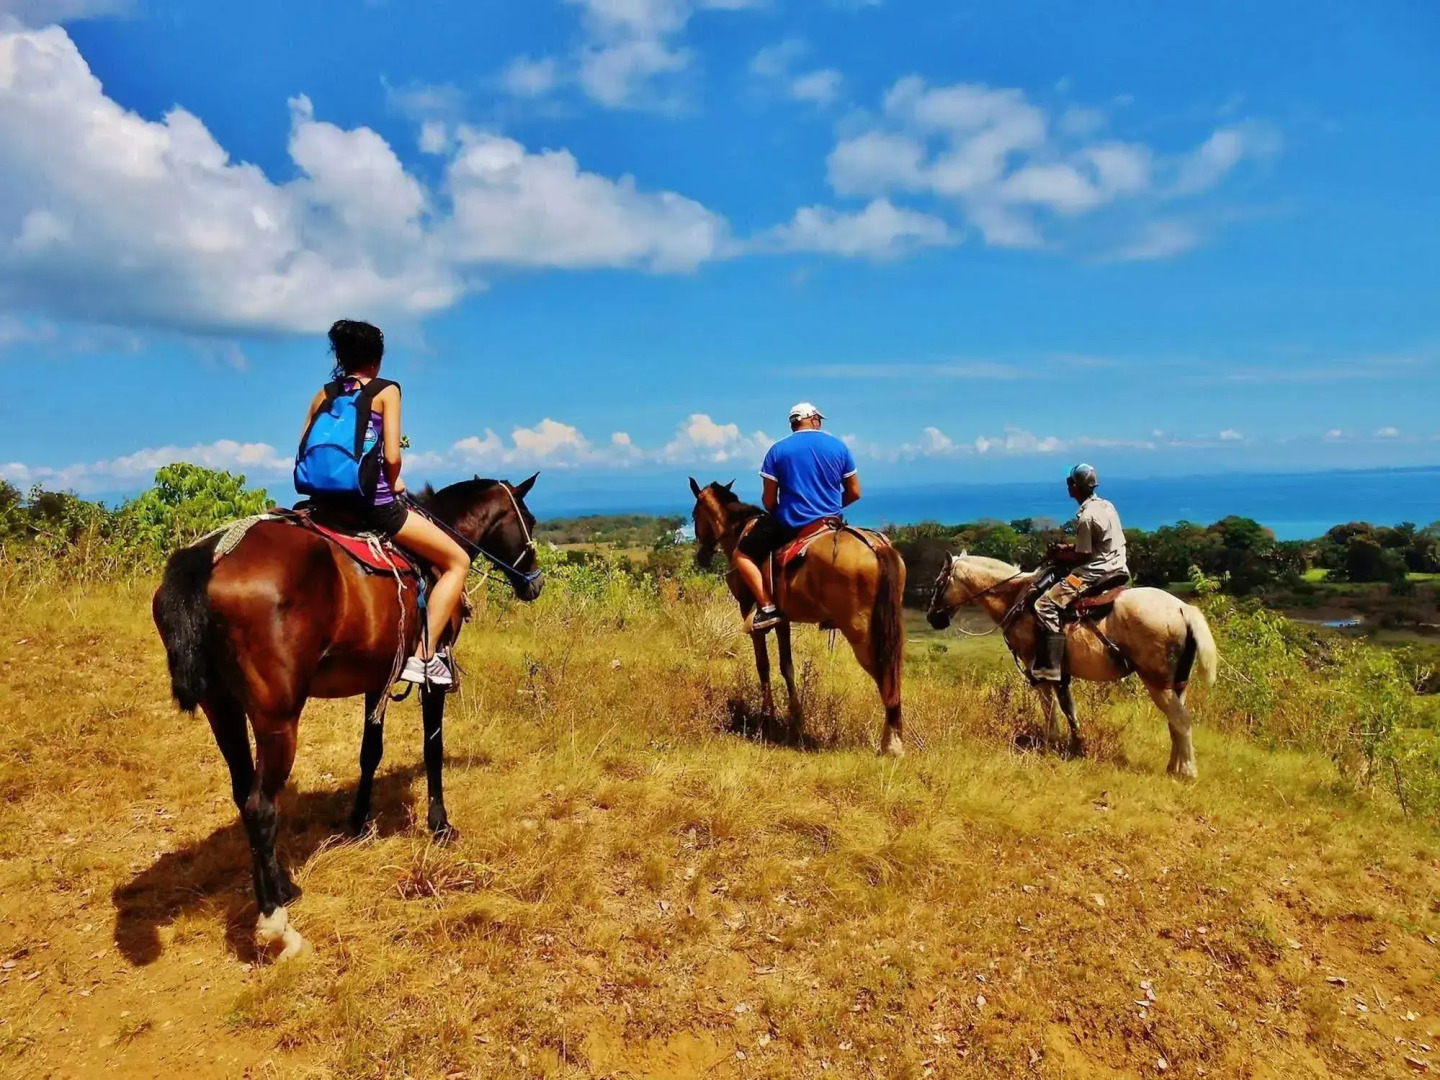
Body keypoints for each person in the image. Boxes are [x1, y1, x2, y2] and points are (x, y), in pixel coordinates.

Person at [298, 319, 470, 686]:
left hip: (322, 503)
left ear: (341, 359)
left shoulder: (322, 394)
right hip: (370, 504)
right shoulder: (385, 390)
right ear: (376, 361)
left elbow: (302, 450)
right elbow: (392, 456)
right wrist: (392, 485)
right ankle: (423, 656)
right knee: (458, 561)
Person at [732, 402, 861, 633]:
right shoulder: (838, 447)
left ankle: (767, 607)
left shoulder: (777, 450)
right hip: (831, 522)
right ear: (812, 419)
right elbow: (855, 492)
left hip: (792, 522)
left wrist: (783, 510)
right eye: (819, 419)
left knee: (742, 555)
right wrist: (829, 507)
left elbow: (769, 500)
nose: (819, 422)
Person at [1031, 463, 1129, 681]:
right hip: (1118, 565)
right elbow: (1096, 544)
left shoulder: (1086, 518)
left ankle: (1051, 667)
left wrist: (1060, 556)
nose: (1068, 487)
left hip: (1093, 572)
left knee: (1044, 604)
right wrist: (1067, 549)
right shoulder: (1107, 506)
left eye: (1070, 483)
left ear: (1076, 486)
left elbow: (1084, 556)